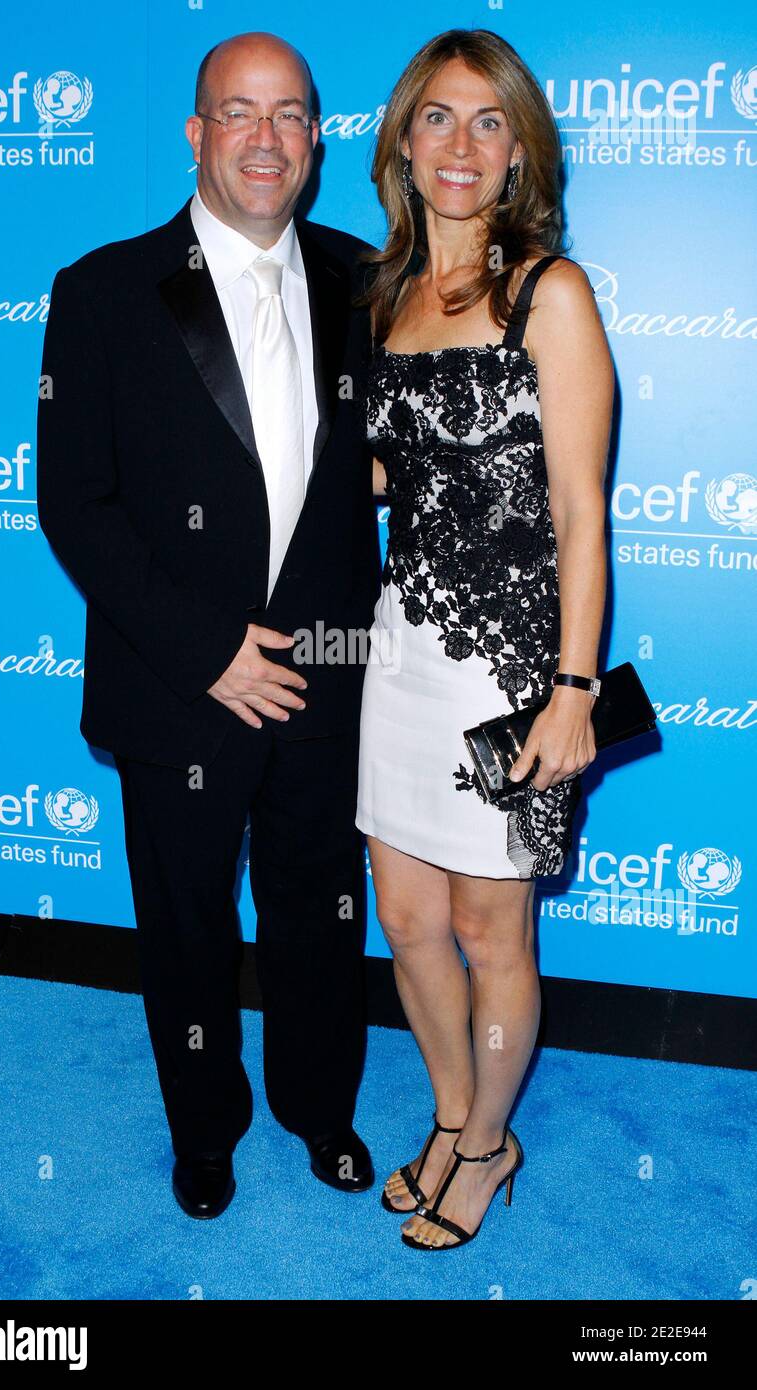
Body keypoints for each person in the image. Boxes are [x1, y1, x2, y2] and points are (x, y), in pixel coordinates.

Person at [36, 31, 382, 1219]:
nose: (264, 137)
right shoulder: (101, 292)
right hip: (177, 678)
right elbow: (73, 505)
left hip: (329, 674)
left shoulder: (363, 280)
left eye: (289, 114)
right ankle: (204, 1127)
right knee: (184, 920)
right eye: (239, 112)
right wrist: (209, 651)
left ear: (316, 141)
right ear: (196, 134)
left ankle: (319, 1107)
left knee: (321, 903)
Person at [355, 28, 614, 1249]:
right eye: (437, 119)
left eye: (487, 122)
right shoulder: (383, 292)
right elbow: (374, 476)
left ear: (518, 153)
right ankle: (458, 1116)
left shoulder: (546, 292)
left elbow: (577, 512)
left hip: (510, 661)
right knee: (404, 917)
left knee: (487, 925)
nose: (460, 145)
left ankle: (487, 1141)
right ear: (403, 139)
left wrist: (571, 689)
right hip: (399, 647)